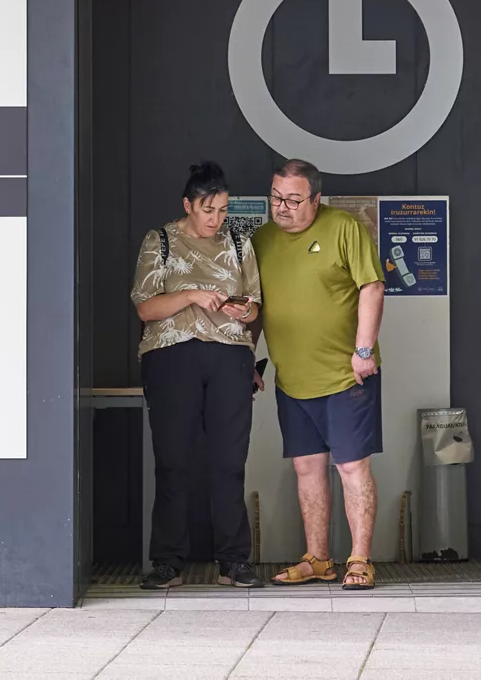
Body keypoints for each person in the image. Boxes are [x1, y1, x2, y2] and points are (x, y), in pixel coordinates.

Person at [251, 159, 386, 590]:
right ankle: (318, 559)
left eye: (293, 200)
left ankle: (360, 559)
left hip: (346, 377)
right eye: (275, 198)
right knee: (307, 469)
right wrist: (248, 361)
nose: (282, 208)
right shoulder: (261, 239)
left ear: (315, 199)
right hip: (292, 379)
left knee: (351, 467)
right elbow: (255, 306)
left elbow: (372, 286)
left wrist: (363, 350)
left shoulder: (344, 228)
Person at [130, 161, 263, 590]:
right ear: (188, 204)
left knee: (229, 461)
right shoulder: (161, 241)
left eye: (222, 210)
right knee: (173, 461)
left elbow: (257, 306)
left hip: (229, 356)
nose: (215, 219)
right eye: (208, 210)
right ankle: (168, 561)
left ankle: (233, 561)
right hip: (172, 356)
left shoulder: (240, 241)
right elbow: (145, 308)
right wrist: (191, 295)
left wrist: (245, 310)